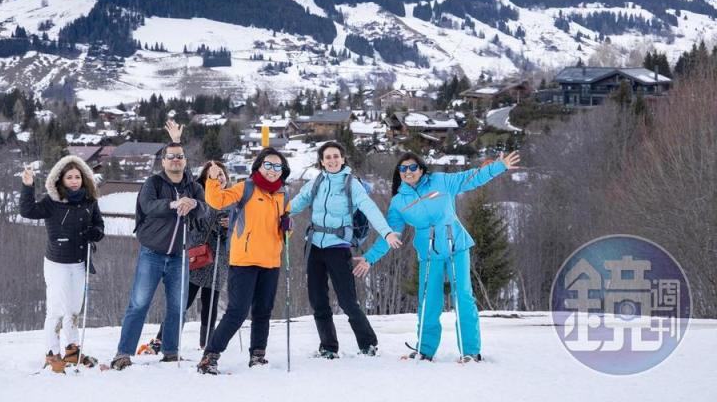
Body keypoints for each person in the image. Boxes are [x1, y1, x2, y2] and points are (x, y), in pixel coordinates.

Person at [353, 150, 521, 362]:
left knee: (463, 297)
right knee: (428, 301)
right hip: (429, 253)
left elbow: (472, 177)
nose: (408, 171)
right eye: (403, 168)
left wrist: (499, 166)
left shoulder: (441, 181)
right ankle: (424, 351)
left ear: (421, 169)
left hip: (456, 246)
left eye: (413, 167)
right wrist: (369, 258)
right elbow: (390, 235)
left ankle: (470, 352)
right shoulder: (398, 202)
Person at [110, 121, 211, 370]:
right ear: (163, 162)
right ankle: (123, 353)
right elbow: (148, 206)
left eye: (180, 157)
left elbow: (206, 211)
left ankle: (170, 351)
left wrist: (194, 205)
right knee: (139, 303)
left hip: (180, 255)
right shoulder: (153, 184)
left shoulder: (194, 187)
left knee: (177, 307)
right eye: (171, 157)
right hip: (152, 254)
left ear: (185, 162)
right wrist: (173, 205)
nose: (176, 160)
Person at [288, 141, 401, 358]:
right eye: (328, 157)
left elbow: (369, 208)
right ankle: (328, 347)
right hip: (313, 245)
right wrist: (277, 215)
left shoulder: (352, 184)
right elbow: (297, 203)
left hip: (338, 247)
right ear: (321, 161)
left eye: (336, 156)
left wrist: (386, 233)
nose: (332, 160)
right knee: (318, 300)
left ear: (342, 159)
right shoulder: (316, 182)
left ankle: (368, 343)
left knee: (347, 300)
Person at [196, 147, 292, 375]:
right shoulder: (245, 188)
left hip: (271, 261)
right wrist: (212, 179)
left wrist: (288, 228)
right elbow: (217, 201)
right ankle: (210, 356)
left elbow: (286, 233)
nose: (272, 170)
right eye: (267, 165)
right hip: (244, 261)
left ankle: (258, 355)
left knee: (263, 311)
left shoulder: (283, 195)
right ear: (258, 166)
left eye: (277, 166)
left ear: (283, 170)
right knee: (237, 312)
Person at [19, 155, 105, 373]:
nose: (74, 181)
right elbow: (27, 211)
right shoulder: (52, 201)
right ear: (61, 179)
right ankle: (52, 354)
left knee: (74, 309)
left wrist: (94, 233)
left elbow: (99, 225)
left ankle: (72, 351)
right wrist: (28, 186)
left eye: (78, 176)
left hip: (79, 262)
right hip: (57, 262)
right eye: (70, 177)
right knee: (56, 310)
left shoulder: (90, 201)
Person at [141, 161, 232, 354]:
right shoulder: (199, 195)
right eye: (213, 175)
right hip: (197, 255)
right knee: (183, 301)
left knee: (211, 304)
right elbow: (196, 221)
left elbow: (240, 228)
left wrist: (228, 226)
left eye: (221, 174)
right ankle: (161, 339)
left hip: (220, 259)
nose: (219, 178)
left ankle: (207, 344)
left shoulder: (232, 199)